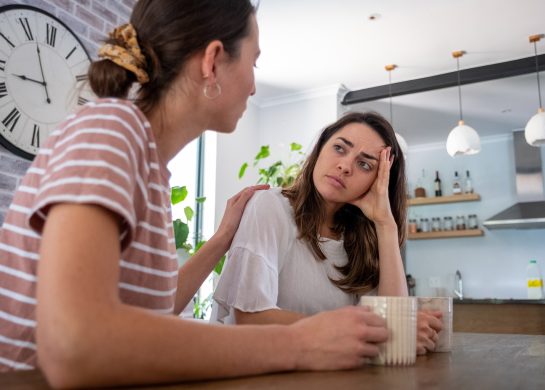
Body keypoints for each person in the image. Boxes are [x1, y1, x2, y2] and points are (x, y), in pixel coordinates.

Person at [0, 1, 393, 387]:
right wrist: (300, 343)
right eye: (253, 63)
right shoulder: (110, 130)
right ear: (213, 61)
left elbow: (155, 310)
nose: (254, 85)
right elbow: (74, 346)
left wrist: (221, 239)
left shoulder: (147, 164)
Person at [212, 111, 443, 355]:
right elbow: (249, 317)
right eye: (340, 148)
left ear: (377, 182)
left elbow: (396, 328)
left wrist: (386, 224)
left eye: (364, 164)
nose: (344, 166)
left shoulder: (361, 237)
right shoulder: (270, 205)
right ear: (320, 149)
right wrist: (380, 331)